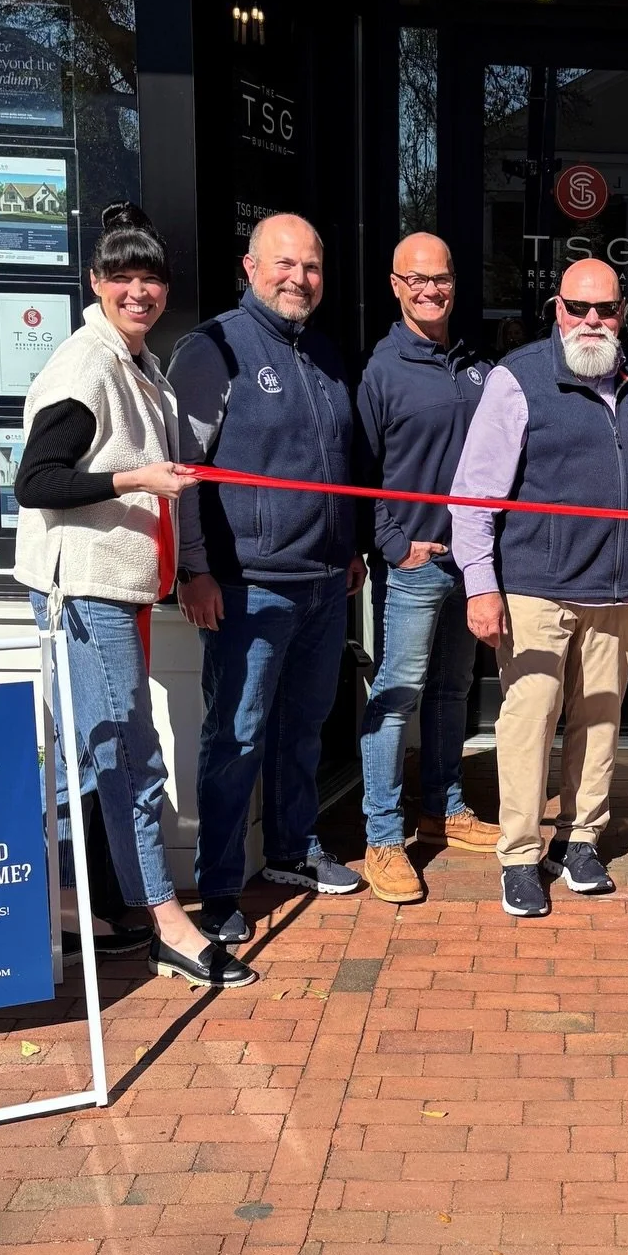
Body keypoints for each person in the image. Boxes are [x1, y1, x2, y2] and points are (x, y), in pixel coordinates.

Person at [15, 202, 255, 988]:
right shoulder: (86, 365)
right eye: (122, 277)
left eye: (150, 278)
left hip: (113, 588)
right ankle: (167, 924)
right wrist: (138, 478)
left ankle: (65, 905)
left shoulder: (137, 361)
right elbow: (36, 482)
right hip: (84, 590)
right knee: (129, 757)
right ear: (96, 282)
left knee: (86, 759)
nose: (138, 292)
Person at [170, 213, 367, 948]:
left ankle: (291, 849)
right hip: (247, 584)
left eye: (311, 267)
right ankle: (220, 888)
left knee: (303, 727)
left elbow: (336, 464)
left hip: (323, 580)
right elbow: (183, 472)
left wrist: (348, 547)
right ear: (250, 267)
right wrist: (194, 569)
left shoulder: (323, 352)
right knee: (236, 736)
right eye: (284, 264)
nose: (299, 279)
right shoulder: (213, 348)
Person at [451, 258, 628, 918]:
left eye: (606, 309)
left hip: (618, 588)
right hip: (536, 587)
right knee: (529, 721)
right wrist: (480, 585)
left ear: (622, 313)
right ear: (557, 310)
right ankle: (519, 854)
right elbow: (473, 494)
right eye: (578, 308)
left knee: (600, 720)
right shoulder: (517, 378)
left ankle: (579, 840)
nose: (592, 321)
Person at [356, 233, 499, 904]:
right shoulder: (382, 371)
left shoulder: (477, 364)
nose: (430, 290)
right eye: (416, 280)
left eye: (440, 278)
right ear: (396, 286)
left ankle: (445, 807)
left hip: (467, 563)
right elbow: (361, 470)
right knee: (396, 695)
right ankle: (383, 838)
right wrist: (393, 544)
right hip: (413, 566)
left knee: (451, 692)